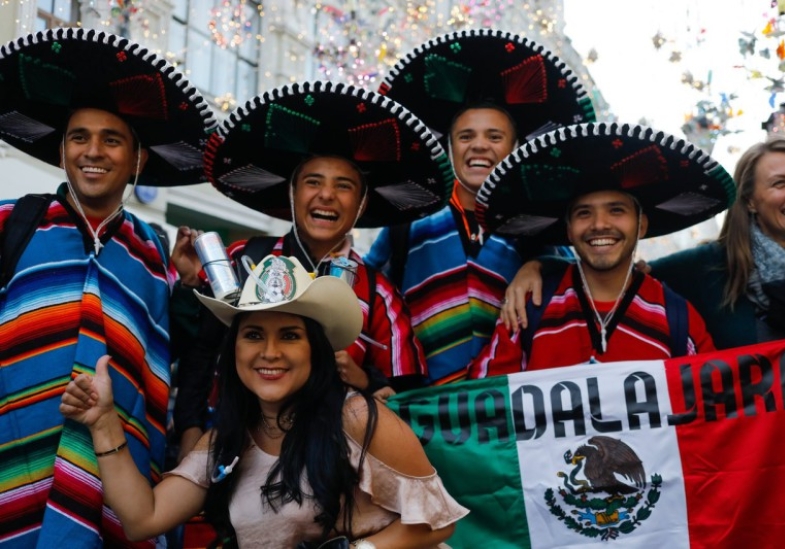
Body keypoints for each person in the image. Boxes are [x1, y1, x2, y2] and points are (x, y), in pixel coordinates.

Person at [59, 255, 469, 549]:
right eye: (253, 334)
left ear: (315, 350)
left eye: (289, 335)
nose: (269, 352)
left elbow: (437, 523)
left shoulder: (358, 417)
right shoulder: (226, 440)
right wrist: (103, 423)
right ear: (233, 349)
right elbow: (141, 519)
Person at [0, 28, 215, 547]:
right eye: (79, 138)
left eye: (112, 139)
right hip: (15, 463)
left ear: (137, 158)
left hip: (115, 477)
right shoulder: (12, 223)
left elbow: (167, 359)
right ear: (61, 151)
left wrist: (187, 287)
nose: (92, 152)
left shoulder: (151, 251)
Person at [171, 81, 453, 458]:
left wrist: (364, 379)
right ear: (292, 193)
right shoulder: (242, 259)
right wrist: (191, 438)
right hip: (233, 458)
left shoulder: (378, 293)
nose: (326, 195)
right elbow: (198, 354)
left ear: (362, 203)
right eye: (313, 182)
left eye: (344, 186)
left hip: (339, 472)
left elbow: (407, 394)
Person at [364, 29, 596, 384]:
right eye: (466, 136)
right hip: (422, 411)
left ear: (515, 147)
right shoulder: (409, 222)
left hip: (512, 413)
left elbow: (583, 280)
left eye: (494, 136)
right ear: (450, 146)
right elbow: (368, 296)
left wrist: (539, 264)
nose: (479, 146)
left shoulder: (536, 223)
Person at [501, 134, 785, 366]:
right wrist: (540, 267)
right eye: (781, 183)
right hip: (758, 449)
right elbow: (618, 269)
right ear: (751, 200)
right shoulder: (709, 266)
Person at [467, 122, 733, 377]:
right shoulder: (527, 308)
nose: (600, 224)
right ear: (569, 230)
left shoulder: (677, 318)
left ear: (641, 225)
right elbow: (482, 404)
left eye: (616, 210)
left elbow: (712, 410)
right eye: (584, 213)